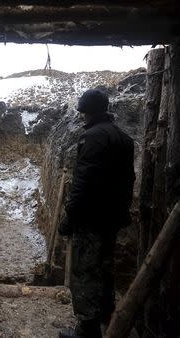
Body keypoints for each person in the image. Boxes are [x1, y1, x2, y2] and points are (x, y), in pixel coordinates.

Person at [58, 89, 135, 338]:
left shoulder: (91, 137)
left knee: (85, 270)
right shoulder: (123, 138)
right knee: (104, 266)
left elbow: (84, 182)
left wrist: (70, 216)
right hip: (111, 217)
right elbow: (128, 180)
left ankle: (87, 328)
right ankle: (106, 315)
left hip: (91, 218)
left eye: (83, 112)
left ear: (89, 112)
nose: (81, 118)